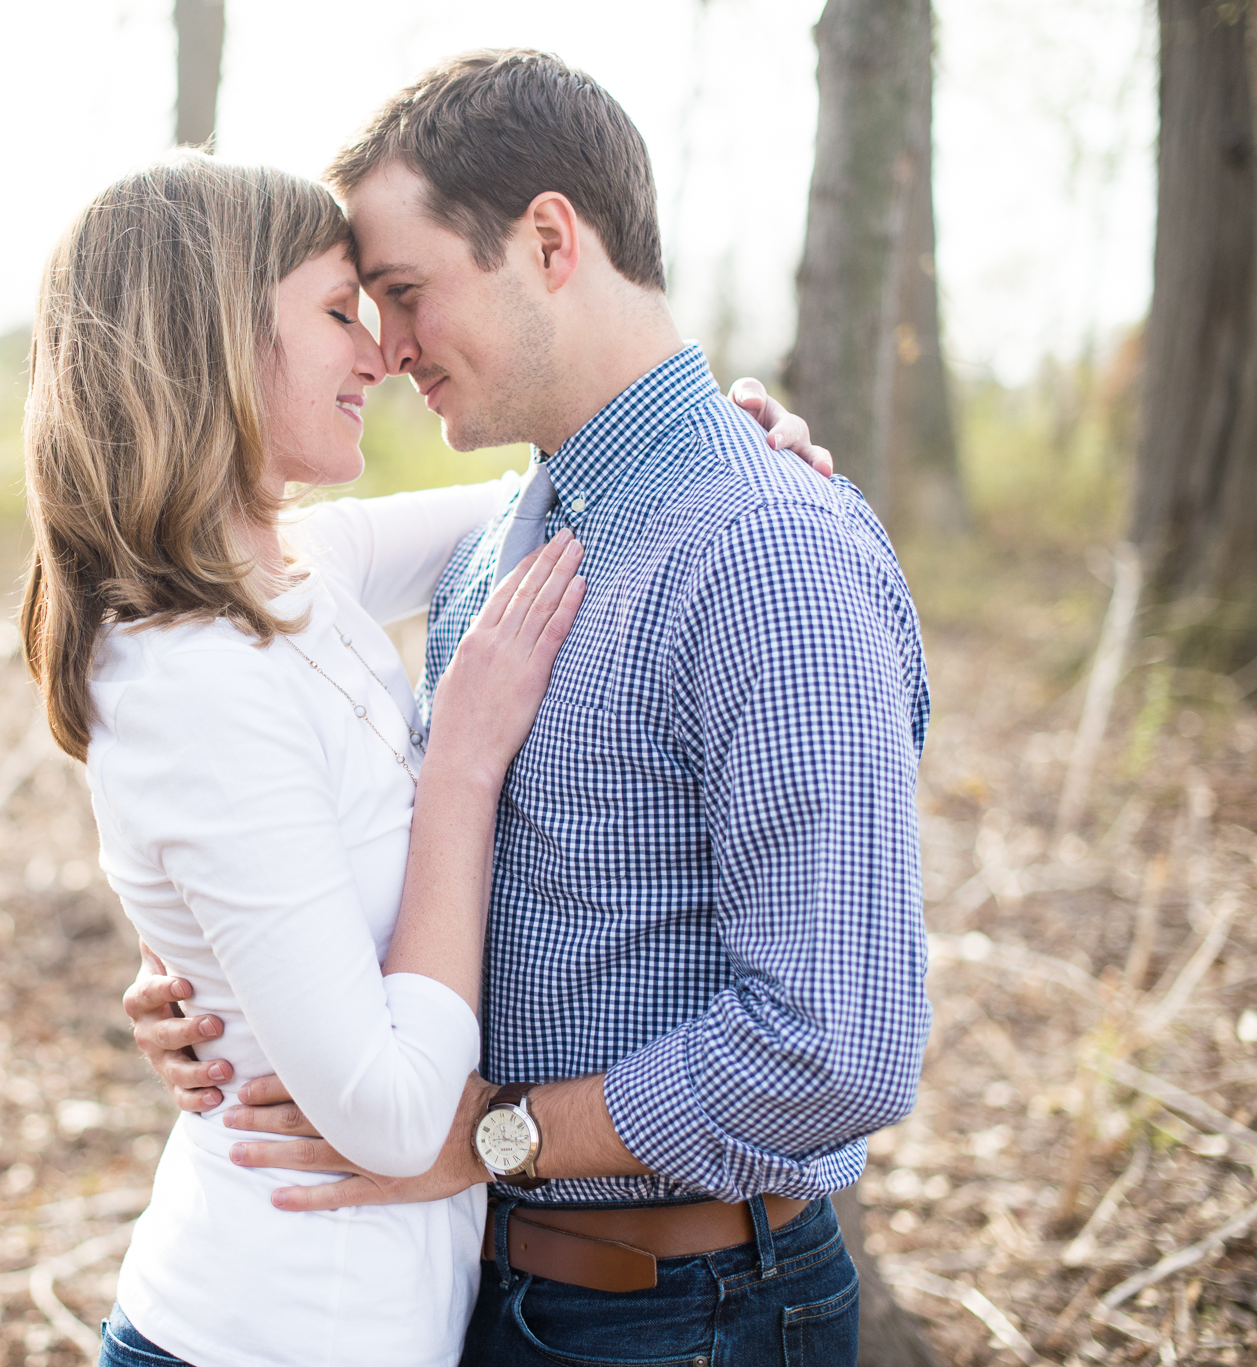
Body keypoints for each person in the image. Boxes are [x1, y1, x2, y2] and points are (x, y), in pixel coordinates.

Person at [124, 50, 931, 1367]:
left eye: (403, 293)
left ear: (549, 240)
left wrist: (498, 1130)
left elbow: (833, 1047)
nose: (385, 347)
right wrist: (220, 969)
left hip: (684, 1314)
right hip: (489, 1286)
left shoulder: (769, 560)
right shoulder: (513, 529)